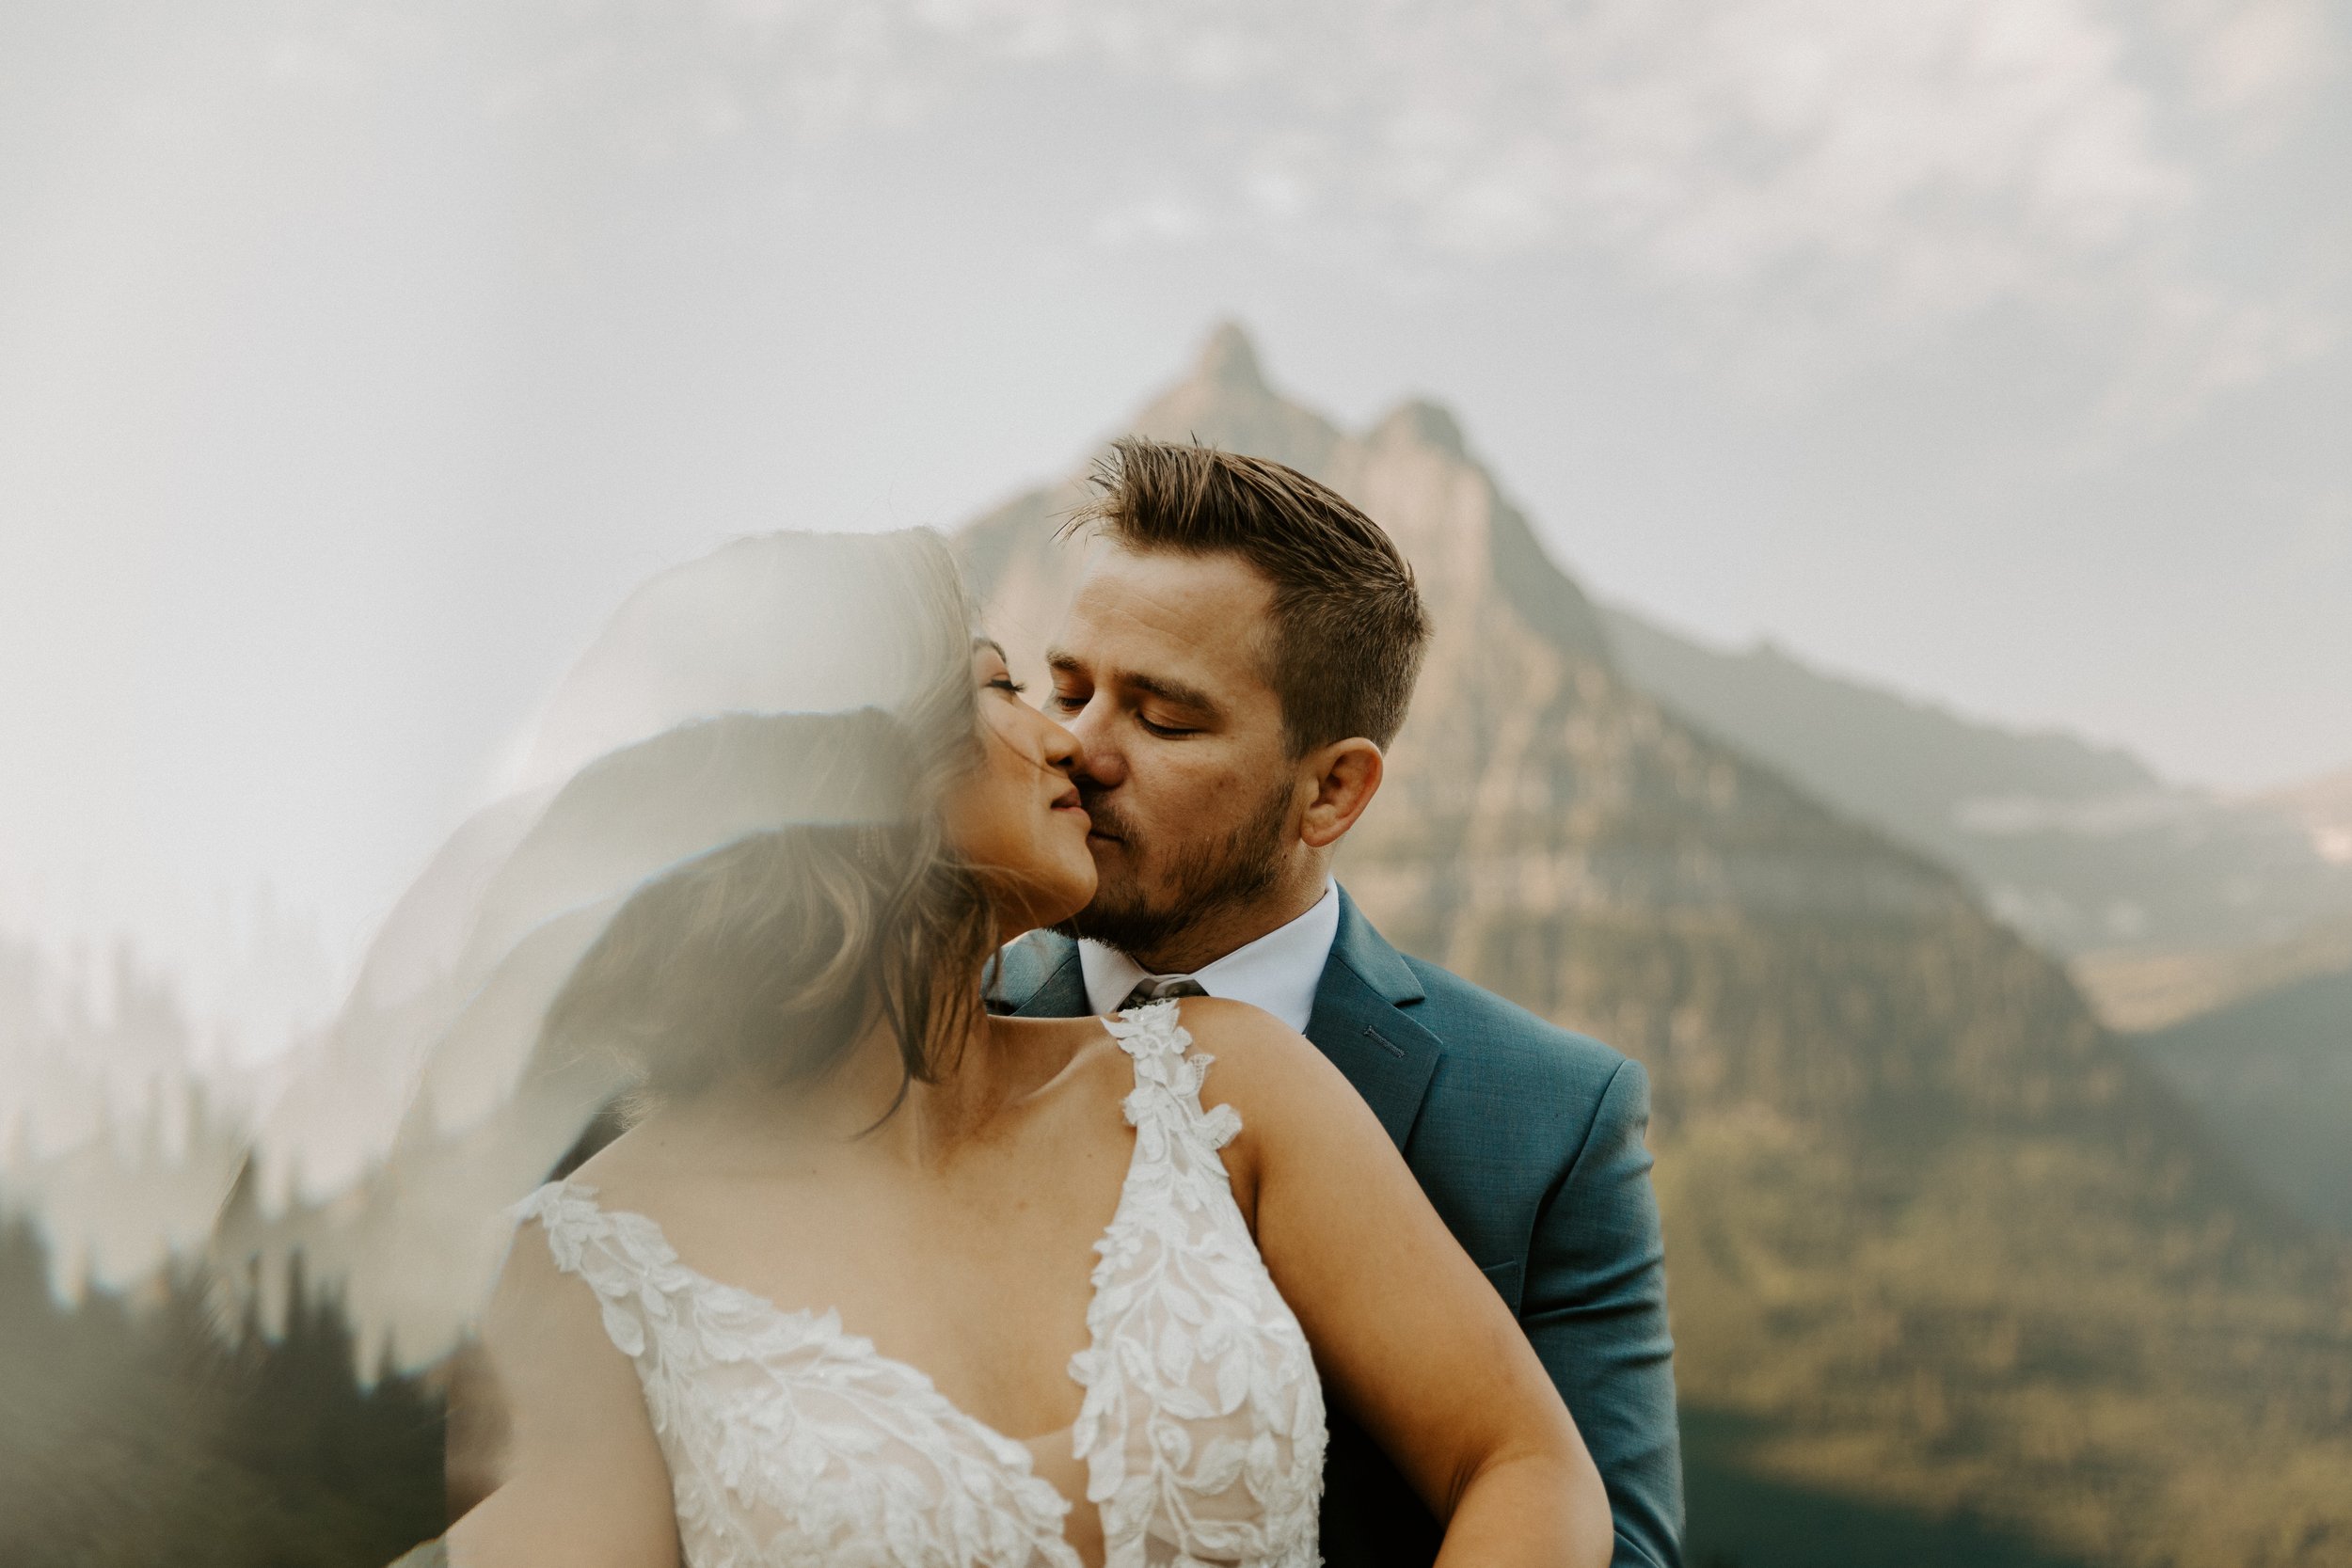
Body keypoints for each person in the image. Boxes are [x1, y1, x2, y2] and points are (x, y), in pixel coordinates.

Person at [442, 529, 1612, 1568]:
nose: (1069, 747)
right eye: (999, 685)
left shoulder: (1219, 1080)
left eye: (1156, 716)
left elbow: (1520, 1461)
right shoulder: (589, 1270)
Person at [988, 441, 1683, 1568]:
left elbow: (1615, 1548)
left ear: (1331, 789)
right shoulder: (919, 1028)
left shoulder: (1557, 1115)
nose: (1079, 746)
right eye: (1066, 688)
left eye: (1163, 719)